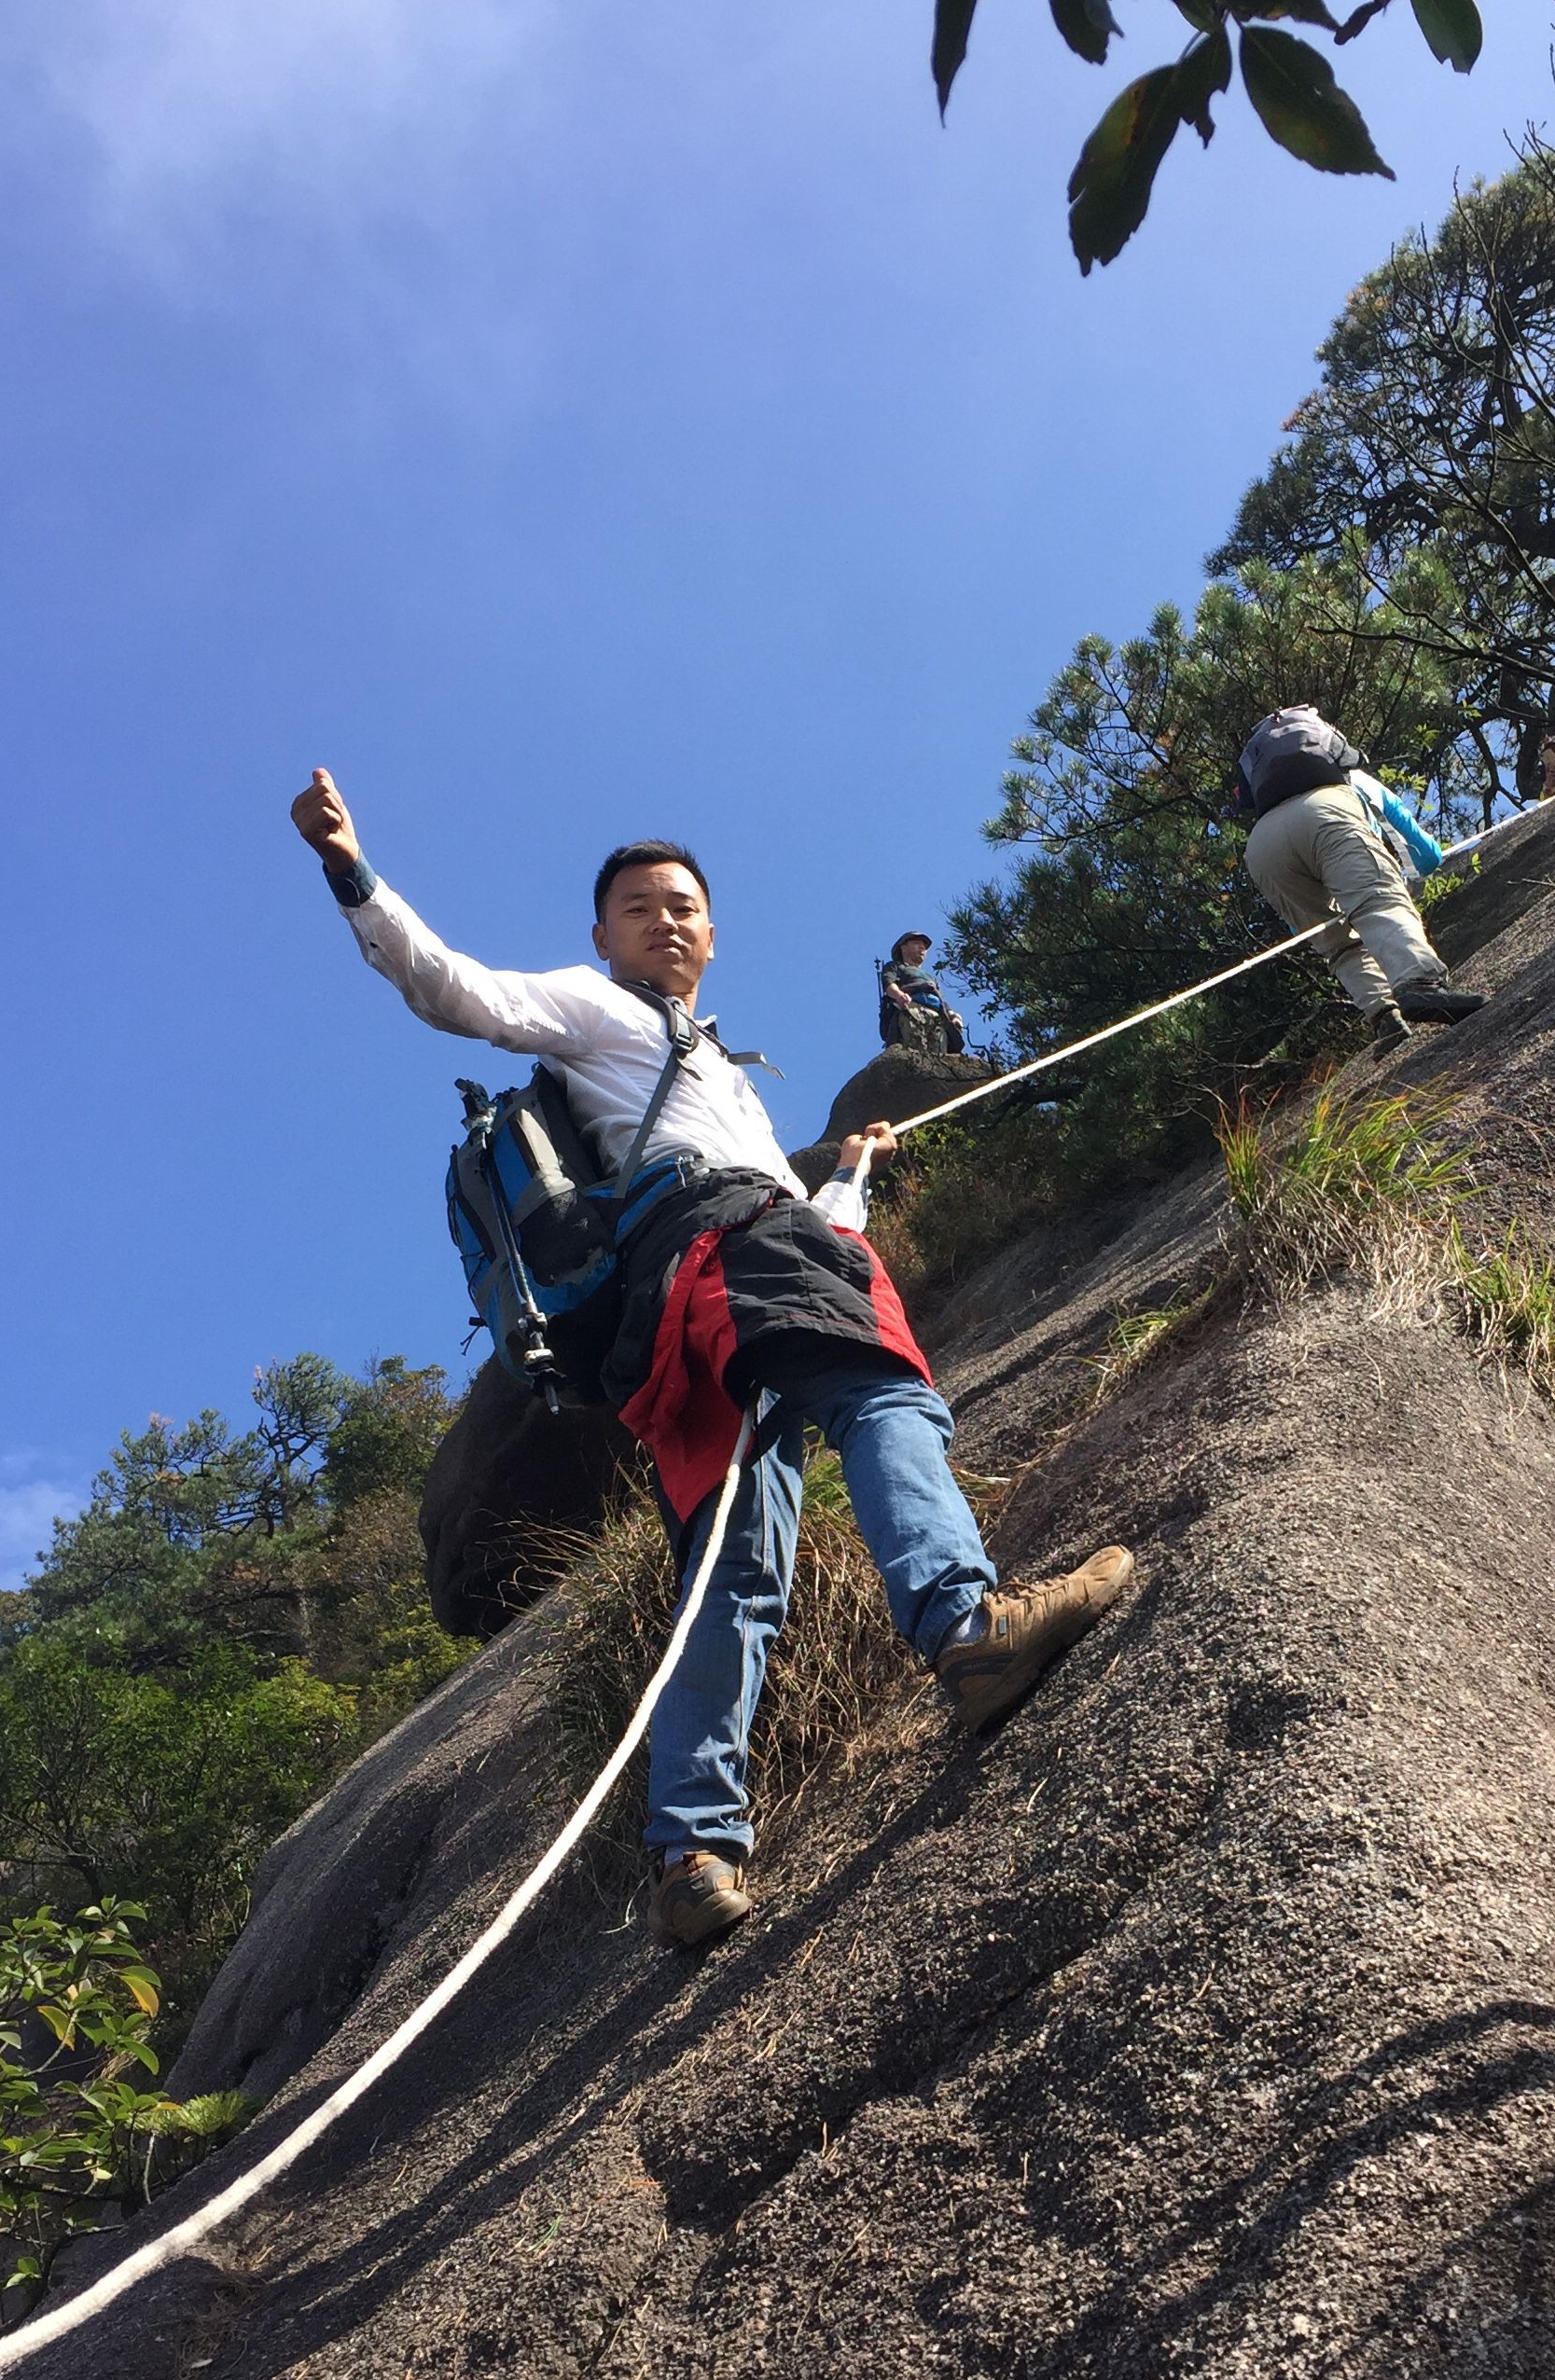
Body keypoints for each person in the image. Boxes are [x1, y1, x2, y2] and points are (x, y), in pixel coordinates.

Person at [287, 769, 1133, 1950]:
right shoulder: (594, 1009)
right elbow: (452, 990)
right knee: (883, 1394)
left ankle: (691, 1851)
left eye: (682, 905)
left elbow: (819, 1222)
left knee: (731, 1575)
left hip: (673, 1317)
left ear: (713, 934)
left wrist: (854, 1172)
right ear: (601, 935)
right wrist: (350, 868)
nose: (665, 918)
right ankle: (963, 1624)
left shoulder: (713, 1068)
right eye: (639, 906)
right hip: (730, 1251)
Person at [1234, 706, 1485, 1055]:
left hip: (1261, 847)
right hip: (1327, 812)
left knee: (1337, 945)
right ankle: (1419, 982)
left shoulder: (1265, 798)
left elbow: (1303, 928)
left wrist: (1316, 923)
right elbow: (1427, 857)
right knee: (1378, 900)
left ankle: (1384, 1015)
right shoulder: (1359, 780)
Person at [879, 932, 967, 1057]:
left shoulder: (930, 978)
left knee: (938, 1052)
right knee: (916, 1045)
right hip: (912, 1008)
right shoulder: (895, 967)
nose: (922, 948)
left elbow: (940, 999)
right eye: (916, 944)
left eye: (924, 947)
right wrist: (899, 995)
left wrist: (953, 1016)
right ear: (903, 948)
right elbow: (889, 984)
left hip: (937, 1014)